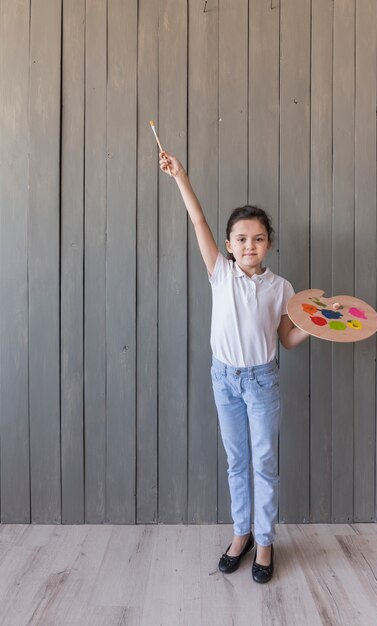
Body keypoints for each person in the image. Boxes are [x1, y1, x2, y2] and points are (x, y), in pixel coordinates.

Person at [159, 151, 309, 584]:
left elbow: (288, 338)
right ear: (228, 245)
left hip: (261, 382)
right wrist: (181, 176)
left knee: (263, 461)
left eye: (258, 238)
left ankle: (265, 542)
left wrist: (314, 325)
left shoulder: (281, 288)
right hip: (223, 378)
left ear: (269, 244)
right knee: (236, 460)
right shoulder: (220, 274)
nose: (249, 245)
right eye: (241, 238)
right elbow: (198, 220)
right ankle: (240, 534)